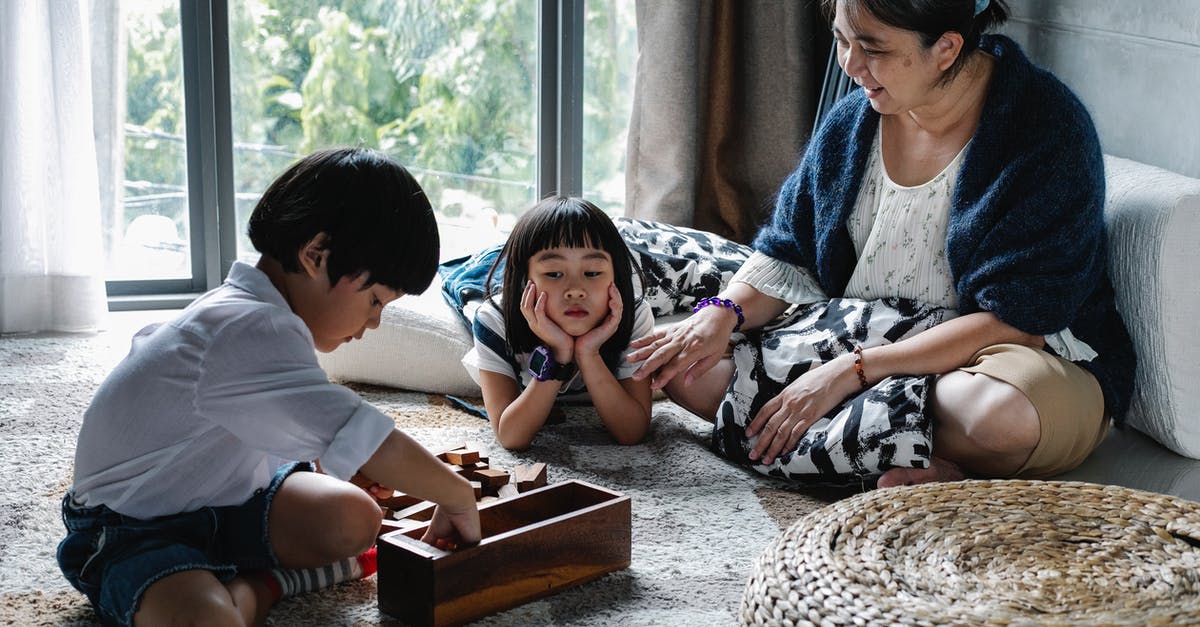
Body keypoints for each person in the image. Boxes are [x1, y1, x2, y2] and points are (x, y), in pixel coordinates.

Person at [629, 0, 1135, 488]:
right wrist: (718, 315)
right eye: (842, 40)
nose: (851, 65)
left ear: (946, 48)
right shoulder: (853, 122)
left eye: (872, 48)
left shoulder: (1045, 130)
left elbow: (1018, 323)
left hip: (1003, 358)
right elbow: (789, 253)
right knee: (687, 370)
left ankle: (857, 439)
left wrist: (850, 373)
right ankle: (912, 457)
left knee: (997, 418)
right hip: (866, 334)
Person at [57, 147, 481, 627]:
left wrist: (331, 462)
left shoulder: (263, 316)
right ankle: (260, 587)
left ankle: (236, 572)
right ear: (316, 255)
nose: (374, 323)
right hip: (132, 529)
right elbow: (364, 433)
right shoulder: (246, 329)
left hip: (228, 497)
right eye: (375, 300)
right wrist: (456, 495)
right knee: (209, 621)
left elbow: (286, 422)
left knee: (355, 518)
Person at [461, 196, 655, 450]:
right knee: (469, 277)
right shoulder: (495, 319)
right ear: (524, 281)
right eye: (554, 274)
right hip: (485, 273)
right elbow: (510, 436)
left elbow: (631, 432)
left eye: (592, 273)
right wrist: (559, 356)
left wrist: (588, 353)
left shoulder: (633, 315)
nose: (575, 290)